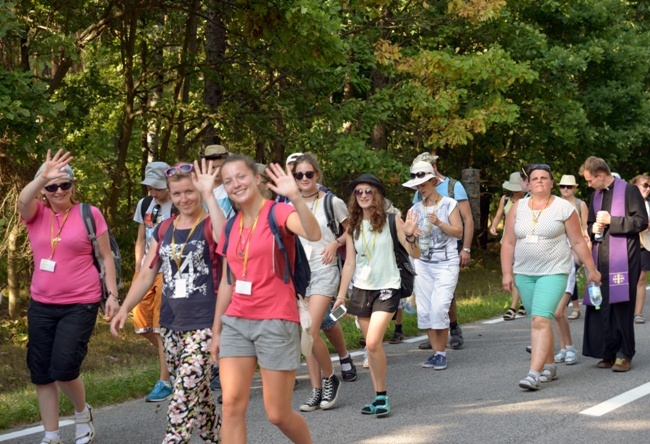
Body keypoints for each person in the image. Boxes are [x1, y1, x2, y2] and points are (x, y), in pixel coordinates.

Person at [111, 160, 225, 443]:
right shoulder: (164, 229)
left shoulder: (211, 224)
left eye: (190, 191)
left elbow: (228, 243)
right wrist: (125, 307)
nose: (184, 199)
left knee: (182, 400)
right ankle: (217, 438)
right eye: (177, 194)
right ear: (169, 196)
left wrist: (210, 194)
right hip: (172, 326)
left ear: (198, 191)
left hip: (205, 325)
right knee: (198, 394)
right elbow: (147, 274)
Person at [211, 155, 319, 443]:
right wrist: (216, 330)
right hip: (235, 321)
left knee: (277, 414)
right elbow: (227, 281)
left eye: (241, 176)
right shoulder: (232, 226)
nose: (236, 184)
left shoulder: (277, 213)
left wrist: (295, 197)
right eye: (228, 180)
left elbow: (313, 232)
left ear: (256, 178)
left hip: (276, 320)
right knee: (232, 405)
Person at [18, 149, 119, 444]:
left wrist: (112, 294)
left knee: (63, 369)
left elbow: (105, 257)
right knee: (41, 373)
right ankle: (51, 434)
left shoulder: (90, 214)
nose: (59, 190)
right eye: (51, 186)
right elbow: (23, 201)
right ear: (44, 190)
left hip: (80, 302)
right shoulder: (36, 214)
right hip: (41, 305)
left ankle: (81, 413)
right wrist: (41, 177)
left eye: (65, 185)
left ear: (73, 186)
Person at [501, 164, 600, 390]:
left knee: (541, 319)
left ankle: (533, 374)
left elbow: (577, 241)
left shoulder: (563, 208)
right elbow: (508, 242)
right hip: (524, 273)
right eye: (535, 178)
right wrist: (507, 272)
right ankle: (549, 366)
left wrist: (591, 269)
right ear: (528, 183)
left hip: (554, 271)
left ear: (551, 183)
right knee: (537, 320)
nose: (539, 181)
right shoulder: (518, 207)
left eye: (544, 178)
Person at [333, 173, 420, 417]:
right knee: (371, 349)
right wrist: (341, 296)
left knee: (372, 342)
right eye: (358, 192)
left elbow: (417, 254)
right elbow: (349, 263)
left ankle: (382, 396)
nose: (363, 195)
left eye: (368, 191)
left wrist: (411, 235)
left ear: (377, 195)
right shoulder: (353, 226)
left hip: (388, 287)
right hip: (361, 290)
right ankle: (379, 396)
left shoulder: (394, 220)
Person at [288, 153, 353, 412]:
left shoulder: (332, 202)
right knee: (306, 336)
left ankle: (330, 379)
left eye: (308, 174)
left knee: (311, 330)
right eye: (298, 175)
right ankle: (316, 390)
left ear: (317, 175)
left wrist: (336, 243)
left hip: (325, 269)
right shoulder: (289, 205)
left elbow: (353, 230)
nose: (304, 179)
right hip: (300, 273)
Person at [580, 157, 648, 372]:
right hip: (601, 257)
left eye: (590, 180)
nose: (588, 185)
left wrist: (612, 221)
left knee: (621, 306)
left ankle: (624, 354)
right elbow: (591, 223)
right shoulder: (595, 195)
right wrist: (595, 228)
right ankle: (607, 352)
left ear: (601, 175)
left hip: (625, 258)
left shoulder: (629, 190)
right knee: (601, 304)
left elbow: (641, 222)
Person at [404, 162, 463, 370]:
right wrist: (411, 233)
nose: (421, 188)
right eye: (417, 185)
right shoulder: (414, 209)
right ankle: (437, 353)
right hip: (422, 264)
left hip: (446, 263)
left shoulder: (449, 204)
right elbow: (407, 237)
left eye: (423, 183)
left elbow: (458, 232)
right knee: (426, 310)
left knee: (440, 307)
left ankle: (441, 352)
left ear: (433, 181)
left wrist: (439, 223)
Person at [413, 153, 473, 351]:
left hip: (449, 246)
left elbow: (467, 219)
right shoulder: (419, 190)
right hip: (426, 248)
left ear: (434, 167)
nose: (419, 182)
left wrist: (466, 248)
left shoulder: (452, 186)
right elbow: (415, 216)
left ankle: (453, 328)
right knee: (431, 296)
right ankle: (436, 337)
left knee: (447, 294)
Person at [132, 161, 175, 402]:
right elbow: (141, 238)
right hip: (147, 271)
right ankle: (174, 358)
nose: (153, 193)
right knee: (142, 326)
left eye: (157, 188)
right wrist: (138, 268)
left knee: (160, 326)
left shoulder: (178, 204)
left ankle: (165, 381)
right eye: (150, 188)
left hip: (169, 270)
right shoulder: (145, 204)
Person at [490, 172, 526, 320]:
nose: (516, 190)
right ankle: (523, 302)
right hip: (507, 241)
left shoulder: (528, 200)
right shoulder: (505, 200)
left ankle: (513, 307)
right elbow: (499, 214)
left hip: (523, 241)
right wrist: (493, 225)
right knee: (511, 272)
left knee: (519, 273)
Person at [558, 174, 590, 320]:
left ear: (574, 188)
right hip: (558, 244)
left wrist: (585, 247)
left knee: (570, 273)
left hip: (575, 244)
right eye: (562, 186)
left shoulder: (580, 204)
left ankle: (573, 308)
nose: (565, 189)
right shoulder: (554, 203)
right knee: (564, 275)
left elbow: (585, 227)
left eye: (569, 186)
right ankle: (568, 307)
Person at [631, 175, 650, 324]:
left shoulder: (648, 204)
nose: (648, 188)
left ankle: (638, 313)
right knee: (626, 278)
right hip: (628, 244)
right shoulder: (627, 203)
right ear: (635, 186)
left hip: (645, 246)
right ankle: (624, 310)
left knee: (641, 279)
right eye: (645, 185)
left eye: (649, 186)